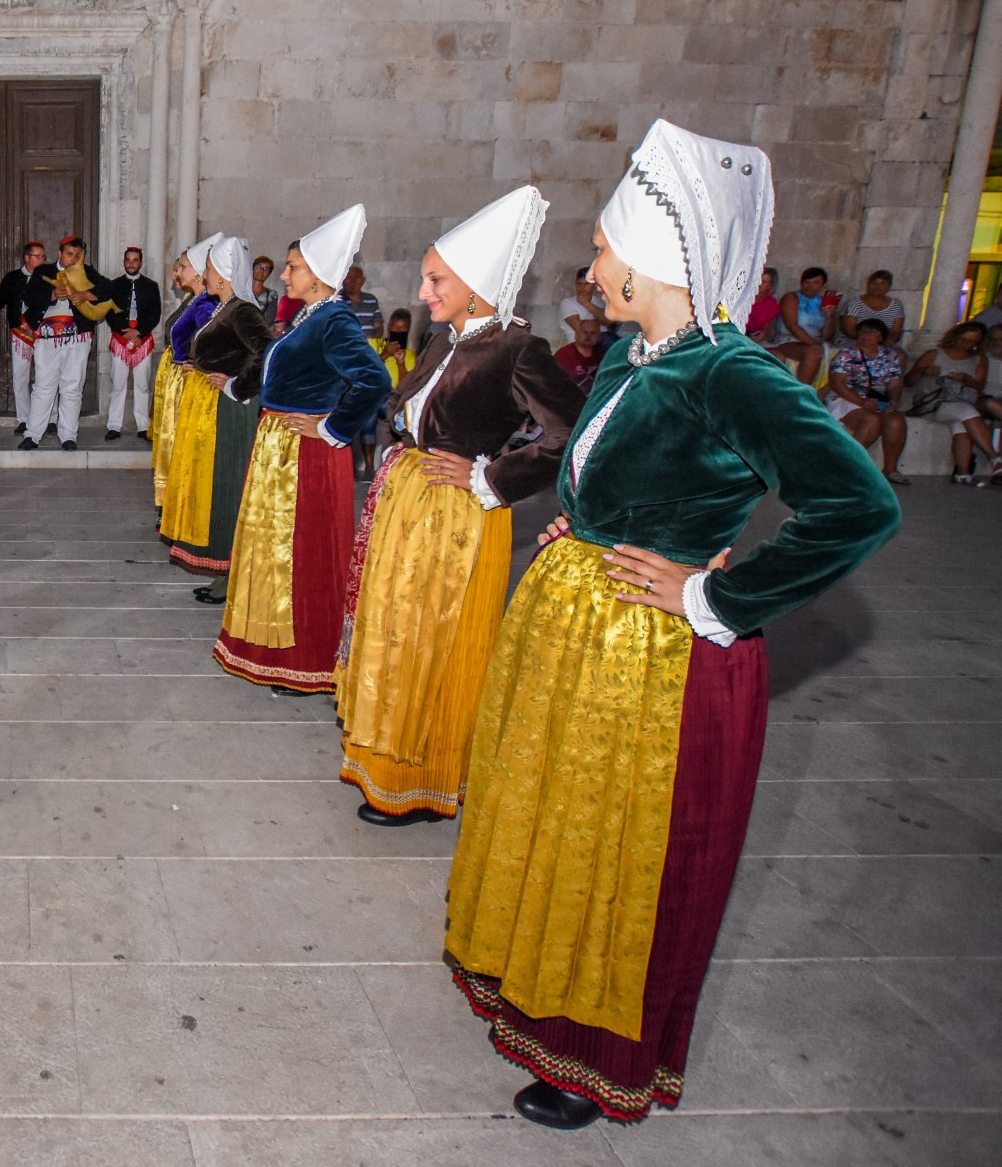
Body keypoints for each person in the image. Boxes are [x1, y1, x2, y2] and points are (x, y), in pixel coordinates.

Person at [443, 120, 900, 1130]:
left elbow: (858, 504)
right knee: (550, 823)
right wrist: (580, 510)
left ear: (652, 259)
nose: (593, 264)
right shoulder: (630, 355)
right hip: (575, 628)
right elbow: (608, 470)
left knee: (611, 845)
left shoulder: (730, 373)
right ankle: (533, 999)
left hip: (643, 654)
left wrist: (715, 597)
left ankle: (588, 1055)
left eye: (604, 249)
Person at [335, 186, 583, 824]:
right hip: (409, 502)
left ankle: (428, 776)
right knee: (396, 631)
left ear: (475, 285)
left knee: (433, 639)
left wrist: (493, 477)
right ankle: (388, 758)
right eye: (424, 280)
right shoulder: (446, 339)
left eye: (434, 280)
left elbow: (575, 435)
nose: (422, 294)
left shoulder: (517, 349)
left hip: (455, 514)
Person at [211, 207, 391, 696]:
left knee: (304, 554)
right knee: (276, 553)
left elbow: (375, 379)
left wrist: (332, 427)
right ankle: (277, 651)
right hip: (282, 445)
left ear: (319, 276)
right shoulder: (310, 314)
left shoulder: (334, 318)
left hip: (304, 454)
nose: (285, 274)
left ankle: (308, 658)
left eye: (294, 266)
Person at [165, 237, 272, 600]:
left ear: (224, 276)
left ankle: (234, 577)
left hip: (232, 412)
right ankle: (225, 574)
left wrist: (237, 387)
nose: (205, 274)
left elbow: (267, 353)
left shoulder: (242, 310)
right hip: (216, 408)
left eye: (209, 268)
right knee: (219, 488)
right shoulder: (224, 308)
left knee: (229, 489)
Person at [17, 234, 113, 451]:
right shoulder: (43, 272)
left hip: (77, 339)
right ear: (59, 253)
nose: (73, 259)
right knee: (43, 386)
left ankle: (68, 435)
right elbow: (30, 298)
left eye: (78, 256)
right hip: (47, 339)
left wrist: (87, 294)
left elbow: (110, 288)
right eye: (70, 254)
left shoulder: (88, 273)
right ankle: (32, 434)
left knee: (72, 387)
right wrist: (52, 294)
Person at [150, 237, 219, 512]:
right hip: (177, 375)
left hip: (187, 379)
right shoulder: (193, 300)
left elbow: (212, 344)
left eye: (183, 267)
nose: (177, 273)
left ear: (201, 273)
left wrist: (197, 366)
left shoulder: (205, 305)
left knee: (178, 443)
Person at [907, 320, 995, 484]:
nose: (967, 345)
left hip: (961, 401)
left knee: (962, 424)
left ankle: (963, 473)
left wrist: (967, 379)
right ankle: (995, 458)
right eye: (965, 340)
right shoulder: (934, 354)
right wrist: (924, 370)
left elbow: (979, 386)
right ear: (955, 336)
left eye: (973, 342)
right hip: (933, 403)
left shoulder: (979, 359)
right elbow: (908, 382)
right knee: (966, 412)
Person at [825, 317, 910, 485]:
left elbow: (894, 383)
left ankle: (890, 470)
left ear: (880, 336)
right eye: (863, 331)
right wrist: (862, 402)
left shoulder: (890, 356)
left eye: (871, 331)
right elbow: (836, 383)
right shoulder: (847, 354)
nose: (866, 335)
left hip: (877, 396)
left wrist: (893, 400)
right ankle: (845, 467)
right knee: (872, 420)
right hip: (846, 396)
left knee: (896, 421)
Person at [0, 240, 43, 433]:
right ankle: (24, 419)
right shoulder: (12, 278)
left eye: (43, 257)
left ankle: (49, 419)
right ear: (27, 258)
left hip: (44, 335)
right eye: (38, 256)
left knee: (46, 378)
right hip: (20, 335)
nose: (42, 260)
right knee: (20, 378)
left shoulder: (49, 277)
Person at [104, 245, 161, 441]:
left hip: (142, 341)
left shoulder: (151, 286)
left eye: (135, 260)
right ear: (124, 262)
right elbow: (109, 312)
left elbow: (155, 314)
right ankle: (114, 425)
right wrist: (124, 332)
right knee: (117, 384)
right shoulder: (113, 285)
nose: (131, 264)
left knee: (143, 385)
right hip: (120, 340)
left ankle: (143, 426)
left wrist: (139, 332)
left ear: (141, 263)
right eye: (128, 260)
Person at [770, 266, 833, 383]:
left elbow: (827, 335)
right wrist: (813, 343)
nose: (810, 286)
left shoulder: (823, 302)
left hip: (814, 342)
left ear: (822, 285)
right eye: (807, 282)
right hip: (788, 340)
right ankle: (802, 392)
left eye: (816, 283)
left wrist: (830, 316)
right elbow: (792, 326)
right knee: (812, 353)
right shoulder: (791, 297)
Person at [838, 269, 906, 346]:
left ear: (889, 286)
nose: (877, 286)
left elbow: (897, 331)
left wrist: (884, 342)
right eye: (874, 282)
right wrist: (869, 341)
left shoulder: (896, 305)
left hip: (883, 342)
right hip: (857, 340)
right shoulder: (855, 303)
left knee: (900, 356)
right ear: (868, 284)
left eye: (882, 283)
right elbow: (850, 330)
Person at [554, 313, 606, 391]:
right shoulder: (564, 354)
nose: (588, 335)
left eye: (593, 333)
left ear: (599, 336)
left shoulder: (603, 354)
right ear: (576, 334)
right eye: (585, 332)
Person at [557, 267, 606, 339]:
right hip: (577, 345)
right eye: (579, 283)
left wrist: (587, 304)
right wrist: (601, 321)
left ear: (594, 284)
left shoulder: (601, 302)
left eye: (586, 284)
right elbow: (582, 329)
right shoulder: (568, 303)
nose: (582, 287)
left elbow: (611, 325)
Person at [340, 263, 385, 339]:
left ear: (363, 280)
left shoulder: (371, 300)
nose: (352, 281)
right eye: (348, 278)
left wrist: (372, 340)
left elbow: (378, 326)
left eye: (356, 278)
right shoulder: (337, 301)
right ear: (342, 280)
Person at [745, 265, 781, 342]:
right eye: (757, 280)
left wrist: (764, 334)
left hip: (754, 340)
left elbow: (767, 328)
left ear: (771, 286)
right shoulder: (742, 298)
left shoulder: (771, 304)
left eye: (764, 282)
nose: (759, 284)